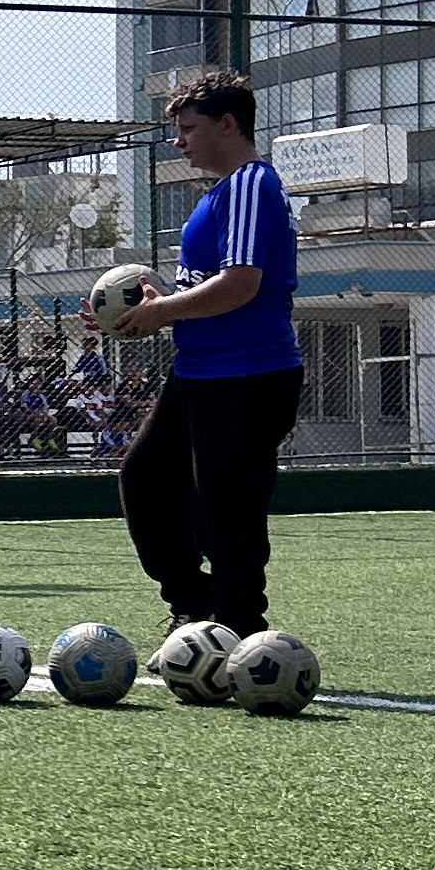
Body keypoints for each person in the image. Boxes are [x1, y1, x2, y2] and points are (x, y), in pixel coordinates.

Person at [104, 72, 302, 639]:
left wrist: (163, 312)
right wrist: (156, 308)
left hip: (247, 376)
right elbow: (213, 287)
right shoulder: (225, 193)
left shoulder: (248, 185)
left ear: (228, 124)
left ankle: (239, 630)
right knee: (146, 482)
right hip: (200, 374)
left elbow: (240, 285)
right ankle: (197, 607)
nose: (179, 140)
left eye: (188, 128)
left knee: (224, 510)